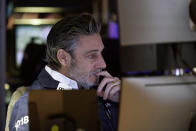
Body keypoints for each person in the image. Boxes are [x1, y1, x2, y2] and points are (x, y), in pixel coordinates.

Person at [9, 13, 121, 131]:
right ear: (63, 57)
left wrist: (124, 105)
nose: (103, 64)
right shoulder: (29, 104)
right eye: (92, 56)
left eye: (101, 53)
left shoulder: (107, 95)